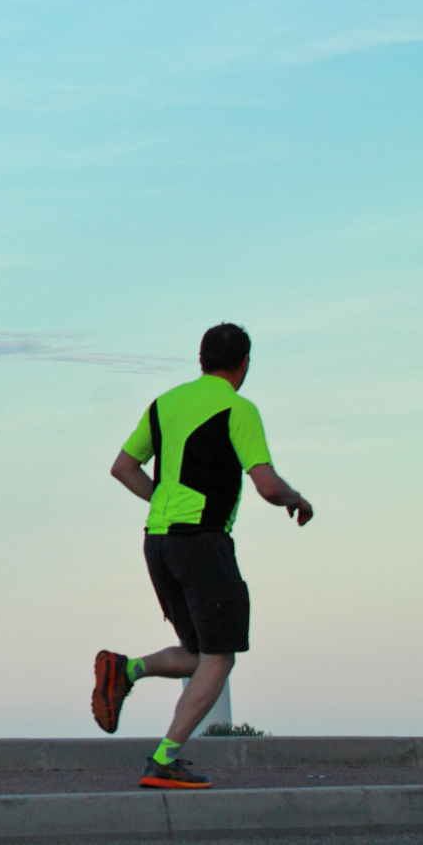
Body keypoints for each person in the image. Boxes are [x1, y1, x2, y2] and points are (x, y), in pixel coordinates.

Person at [91, 322, 313, 789]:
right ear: (244, 363)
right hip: (202, 542)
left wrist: (162, 503)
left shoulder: (164, 404)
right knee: (221, 657)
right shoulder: (237, 408)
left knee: (200, 652)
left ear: (201, 359)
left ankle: (126, 670)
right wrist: (297, 499)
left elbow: (123, 467)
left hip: (158, 542)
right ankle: (164, 760)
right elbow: (267, 485)